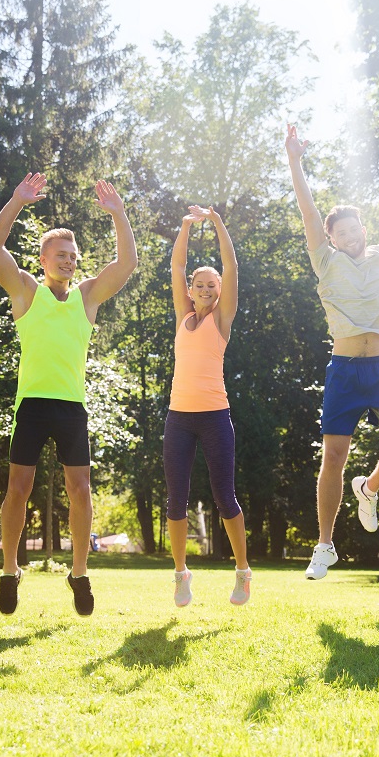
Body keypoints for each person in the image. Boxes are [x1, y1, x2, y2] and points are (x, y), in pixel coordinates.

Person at [286, 122, 379, 580]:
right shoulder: (325, 260)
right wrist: (295, 162)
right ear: (331, 239)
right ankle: (325, 546)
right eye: (340, 232)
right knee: (334, 454)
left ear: (363, 230)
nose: (349, 236)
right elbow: (309, 212)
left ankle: (368, 488)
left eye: (354, 229)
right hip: (346, 369)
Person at [0, 173, 137, 616]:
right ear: (43, 259)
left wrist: (118, 214)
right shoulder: (26, 292)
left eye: (73, 256)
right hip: (31, 405)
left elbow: (126, 264)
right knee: (18, 488)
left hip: (71, 407)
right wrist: (16, 201)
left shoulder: (86, 297)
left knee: (81, 489)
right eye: (61, 255)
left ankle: (79, 573)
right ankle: (10, 570)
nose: (69, 261)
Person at [165, 205, 251, 607]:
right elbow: (177, 263)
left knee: (224, 497)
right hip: (178, 419)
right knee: (175, 499)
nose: (204, 288)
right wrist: (184, 226)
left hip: (216, 417)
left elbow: (231, 266)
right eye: (199, 284)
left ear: (219, 291)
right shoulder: (183, 315)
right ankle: (181, 575)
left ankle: (242, 572)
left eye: (211, 285)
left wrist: (216, 221)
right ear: (190, 289)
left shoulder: (222, 318)